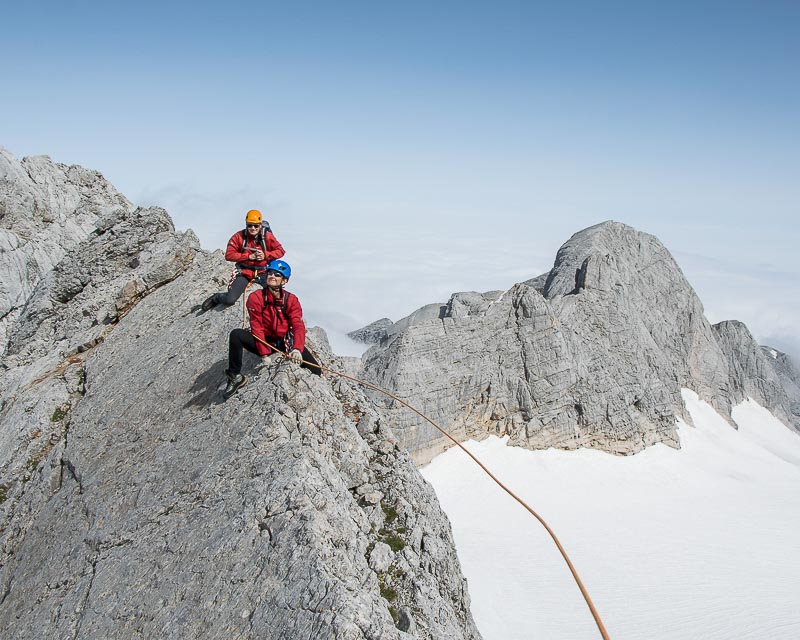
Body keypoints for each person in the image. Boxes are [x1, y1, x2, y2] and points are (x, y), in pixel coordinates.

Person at [224, 259, 322, 397]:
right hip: (264, 341)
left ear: (284, 281)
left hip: (284, 341)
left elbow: (298, 325)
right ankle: (234, 376)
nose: (272, 276)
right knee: (236, 335)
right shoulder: (256, 298)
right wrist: (264, 354)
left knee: (316, 371)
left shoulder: (291, 300)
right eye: (270, 273)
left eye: (277, 275)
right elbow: (256, 326)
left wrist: (297, 349)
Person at [202, 209, 285, 311]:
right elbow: (229, 255)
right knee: (230, 299)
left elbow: (281, 251)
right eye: (250, 225)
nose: (253, 228)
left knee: (274, 297)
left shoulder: (267, 237)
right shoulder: (239, 237)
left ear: (260, 225)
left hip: (263, 272)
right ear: (246, 225)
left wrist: (265, 255)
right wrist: (248, 257)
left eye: (256, 225)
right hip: (244, 272)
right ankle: (216, 298)